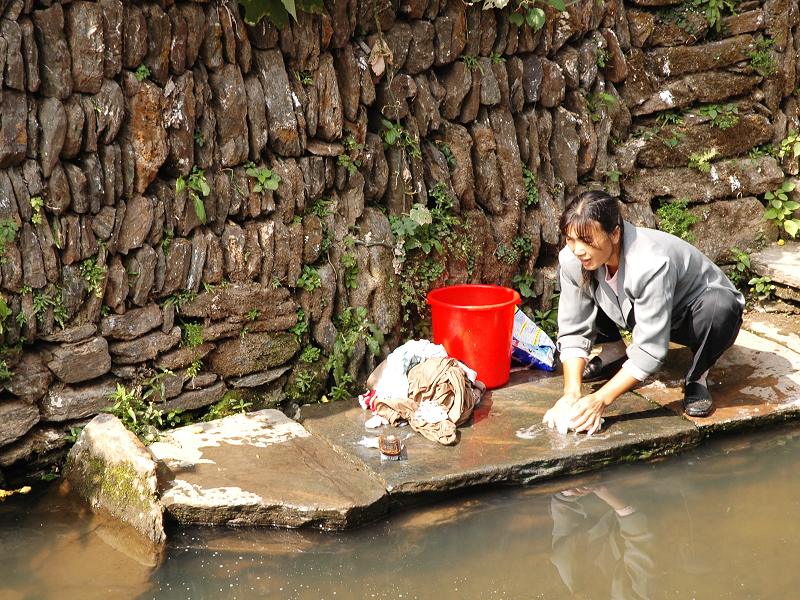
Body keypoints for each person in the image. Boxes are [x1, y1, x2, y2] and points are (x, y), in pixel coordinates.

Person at [543, 191, 744, 434]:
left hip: (692, 315)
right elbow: (574, 326)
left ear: (615, 234)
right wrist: (570, 394)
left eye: (587, 240)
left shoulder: (650, 262)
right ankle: (614, 350)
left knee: (721, 307)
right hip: (637, 310)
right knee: (588, 281)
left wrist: (600, 400)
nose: (578, 249)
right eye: (571, 240)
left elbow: (651, 349)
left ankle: (697, 377)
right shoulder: (574, 259)